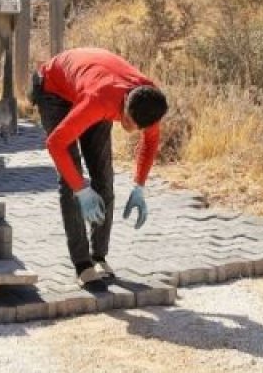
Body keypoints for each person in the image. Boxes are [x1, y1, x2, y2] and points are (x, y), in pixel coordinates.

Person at [31, 48, 169, 287]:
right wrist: (81, 190)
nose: (131, 128)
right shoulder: (100, 101)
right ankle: (83, 265)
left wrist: (139, 186)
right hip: (55, 90)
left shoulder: (150, 101)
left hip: (91, 84)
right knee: (71, 179)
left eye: (138, 127)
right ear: (125, 103)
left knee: (104, 178)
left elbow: (150, 141)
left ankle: (99, 257)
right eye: (128, 122)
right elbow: (55, 144)